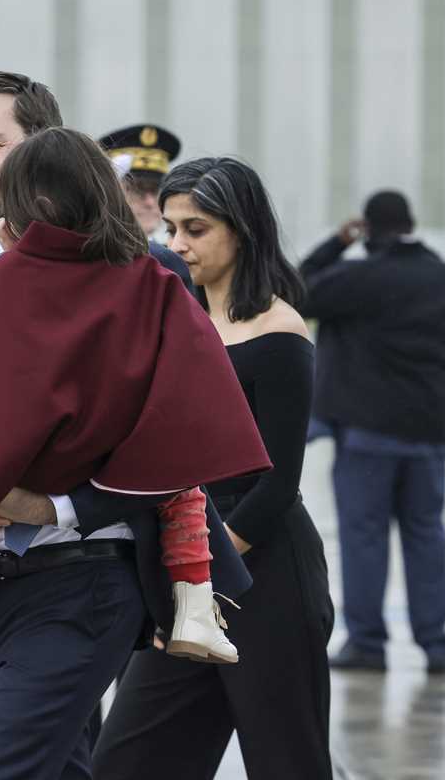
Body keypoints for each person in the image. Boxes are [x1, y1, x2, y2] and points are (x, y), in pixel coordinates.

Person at [0, 76, 268, 780]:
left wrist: (53, 506)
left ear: (47, 147)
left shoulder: (143, 270)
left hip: (85, 580)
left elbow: (174, 435)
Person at [0, 134, 244, 723]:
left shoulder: (146, 272)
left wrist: (53, 506)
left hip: (90, 553)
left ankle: (194, 604)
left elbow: (181, 406)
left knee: (177, 482)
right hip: (11, 553)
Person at [94, 157, 335, 779]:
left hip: (266, 575)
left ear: (242, 230)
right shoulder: (175, 318)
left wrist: (196, 579)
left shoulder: (280, 331)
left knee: (286, 764)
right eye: (171, 228)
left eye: (195, 229)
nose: (177, 244)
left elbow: (277, 485)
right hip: (188, 566)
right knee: (126, 762)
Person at [299, 190, 445, 675]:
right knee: (427, 537)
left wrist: (336, 244)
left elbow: (293, 291)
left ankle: (367, 644)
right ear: (411, 224)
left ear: (369, 229)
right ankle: (436, 646)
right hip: (429, 437)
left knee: (365, 540)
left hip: (367, 437)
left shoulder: (356, 278)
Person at [100, 123, 181, 243]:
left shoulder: (175, 251)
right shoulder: (88, 250)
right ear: (110, 192)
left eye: (156, 191)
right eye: (138, 190)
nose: (150, 202)